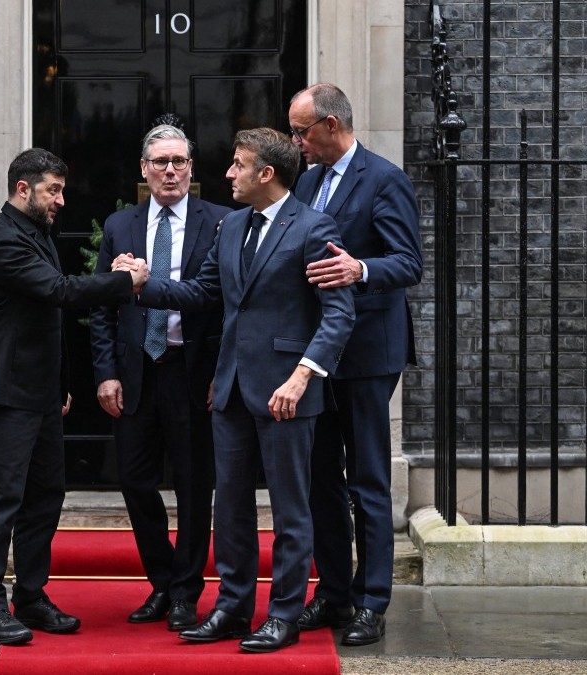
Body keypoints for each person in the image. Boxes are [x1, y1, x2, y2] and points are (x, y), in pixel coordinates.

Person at [117, 128, 354, 653]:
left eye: (238, 164)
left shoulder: (315, 228)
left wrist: (302, 375)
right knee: (231, 511)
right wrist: (142, 282)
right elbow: (203, 293)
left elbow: (338, 317)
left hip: (288, 393)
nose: (227, 173)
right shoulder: (230, 226)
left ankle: (285, 614)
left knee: (292, 510)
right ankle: (232, 606)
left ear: (266, 174)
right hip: (229, 391)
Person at [0, 148, 150, 646]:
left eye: (62, 190)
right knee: (1, 501)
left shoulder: (35, 233)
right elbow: (60, 291)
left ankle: (30, 596)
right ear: (23, 188)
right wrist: (123, 281)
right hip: (6, 393)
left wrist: (62, 384)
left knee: (46, 497)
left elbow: (48, 320)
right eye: (54, 190)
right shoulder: (5, 241)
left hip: (41, 392)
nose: (62, 201)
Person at [288, 83, 423, 646]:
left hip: (368, 352)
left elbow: (408, 261)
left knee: (367, 478)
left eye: (302, 131)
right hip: (317, 351)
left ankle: (372, 601)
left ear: (333, 124)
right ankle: (333, 593)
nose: (297, 143)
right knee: (321, 479)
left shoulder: (384, 178)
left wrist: (358, 271)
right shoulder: (309, 179)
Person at [89, 124, 230, 631]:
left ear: (192, 168)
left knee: (195, 487)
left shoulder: (222, 222)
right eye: (160, 162)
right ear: (144, 170)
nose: (170, 170)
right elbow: (104, 307)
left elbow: (224, 304)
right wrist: (105, 374)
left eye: (178, 161)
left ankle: (187, 594)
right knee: (133, 480)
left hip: (194, 374)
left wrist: (223, 373)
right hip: (137, 373)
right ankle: (163, 582)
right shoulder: (119, 226)